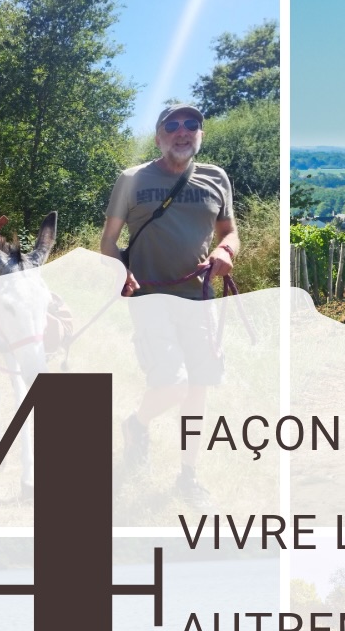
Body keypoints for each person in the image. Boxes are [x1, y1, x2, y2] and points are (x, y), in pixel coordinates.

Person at [100, 104, 240, 504]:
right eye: (172, 125)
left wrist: (227, 251)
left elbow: (229, 231)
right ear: (159, 136)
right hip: (148, 297)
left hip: (199, 298)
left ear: (201, 134)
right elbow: (109, 241)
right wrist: (118, 272)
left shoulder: (217, 179)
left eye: (191, 124)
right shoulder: (132, 179)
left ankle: (187, 476)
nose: (183, 131)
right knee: (173, 383)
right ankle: (137, 423)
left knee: (199, 388)